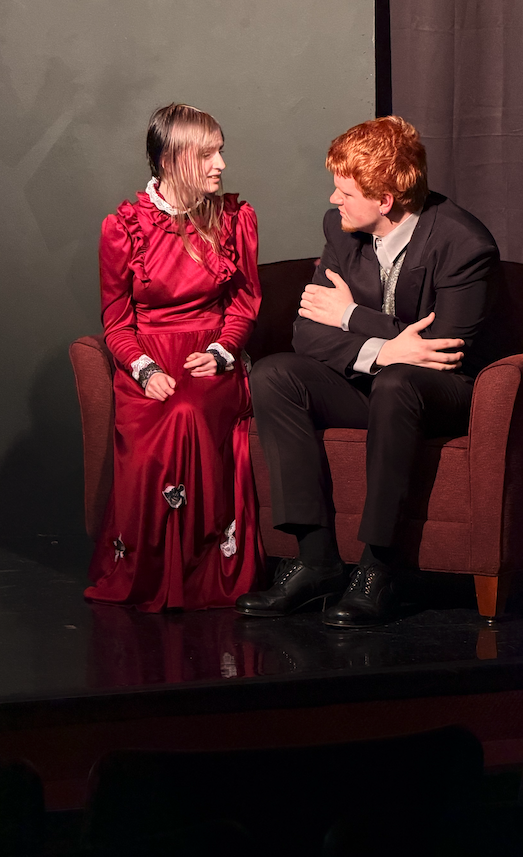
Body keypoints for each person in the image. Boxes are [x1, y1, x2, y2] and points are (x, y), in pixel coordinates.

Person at [236, 116, 500, 628]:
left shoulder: (464, 243)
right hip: (373, 381)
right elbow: (307, 333)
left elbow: (445, 352)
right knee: (273, 374)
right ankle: (315, 562)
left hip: (445, 393)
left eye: (346, 191)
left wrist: (351, 317)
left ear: (385, 200)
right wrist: (383, 348)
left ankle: (379, 568)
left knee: (401, 383)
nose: (335, 201)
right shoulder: (340, 228)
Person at [85, 103, 264, 612]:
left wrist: (224, 351)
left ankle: (200, 574)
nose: (221, 164)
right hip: (147, 362)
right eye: (207, 154)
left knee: (187, 413)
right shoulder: (123, 228)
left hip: (211, 358)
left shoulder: (235, 217)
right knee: (163, 419)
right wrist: (142, 370)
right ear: (170, 160)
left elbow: (245, 303)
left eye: (221, 151)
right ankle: (150, 570)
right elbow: (117, 323)